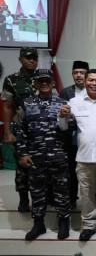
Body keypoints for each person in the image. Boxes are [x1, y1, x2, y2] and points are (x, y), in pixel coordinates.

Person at [59, 69, 96, 242]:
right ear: (84, 82)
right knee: (86, 194)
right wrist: (61, 116)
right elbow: (63, 127)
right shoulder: (74, 102)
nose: (94, 83)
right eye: (91, 80)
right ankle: (89, 225)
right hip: (84, 158)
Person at [16, 69, 71, 240]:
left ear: (53, 83)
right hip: (35, 157)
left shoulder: (63, 103)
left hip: (58, 156)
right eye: (40, 81)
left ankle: (63, 222)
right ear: (36, 84)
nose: (44, 83)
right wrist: (22, 153)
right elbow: (19, 130)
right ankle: (38, 224)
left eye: (47, 80)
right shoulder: (26, 104)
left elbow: (70, 128)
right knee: (37, 192)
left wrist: (65, 118)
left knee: (61, 191)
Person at [1, 47, 39, 212]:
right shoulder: (12, 80)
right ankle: (24, 198)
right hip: (21, 130)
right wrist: (8, 131)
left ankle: (41, 198)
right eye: (28, 57)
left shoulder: (44, 77)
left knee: (41, 165)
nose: (31, 60)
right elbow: (8, 107)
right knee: (22, 167)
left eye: (34, 58)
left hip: (41, 131)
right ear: (20, 59)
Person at [59, 60, 89, 208]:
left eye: (82, 73)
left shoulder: (94, 91)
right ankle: (71, 198)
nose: (78, 75)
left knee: (89, 170)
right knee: (71, 169)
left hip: (88, 137)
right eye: (75, 73)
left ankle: (92, 198)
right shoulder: (66, 92)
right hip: (71, 137)